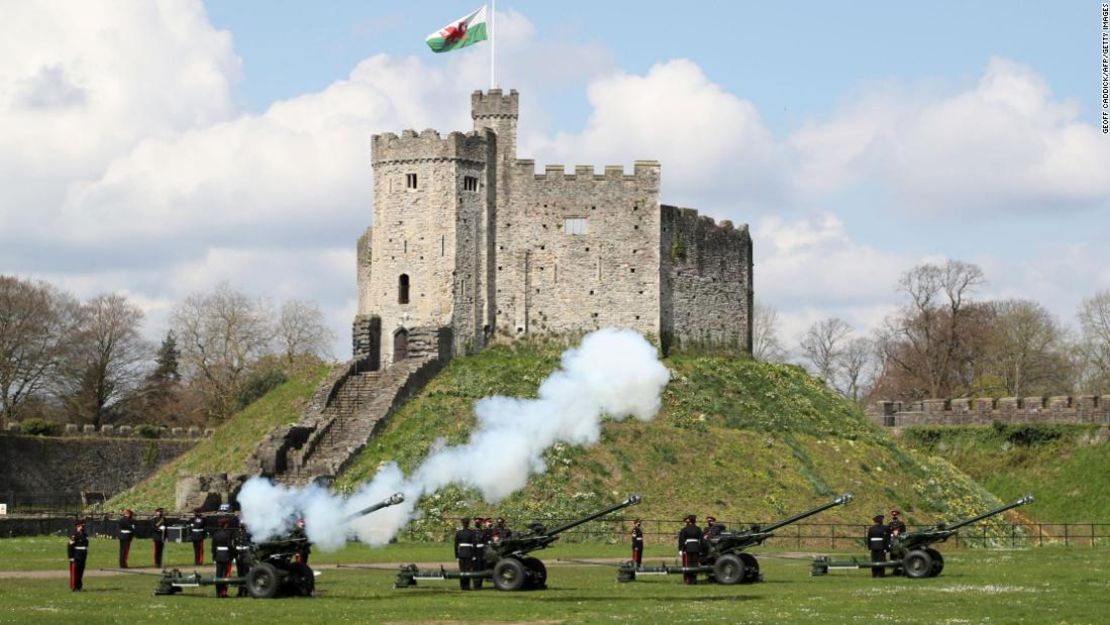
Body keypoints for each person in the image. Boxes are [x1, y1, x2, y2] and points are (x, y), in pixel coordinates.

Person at [211, 518, 235, 598]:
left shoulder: (216, 534)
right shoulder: (228, 534)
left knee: (218, 574)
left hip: (218, 555)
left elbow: (213, 547)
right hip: (226, 555)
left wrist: (214, 556)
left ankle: (218, 592)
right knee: (225, 574)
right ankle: (224, 592)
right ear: (225, 524)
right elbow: (230, 546)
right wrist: (232, 555)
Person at [678, 514, 703, 585]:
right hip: (696, 548)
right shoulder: (698, 529)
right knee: (695, 564)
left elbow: (682, 540)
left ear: (689, 520)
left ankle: (688, 580)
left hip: (688, 548)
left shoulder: (685, 529)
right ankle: (694, 579)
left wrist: (680, 549)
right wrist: (700, 550)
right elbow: (701, 540)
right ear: (695, 520)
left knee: (687, 564)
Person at [67, 519, 90, 592]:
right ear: (78, 526)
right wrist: (71, 557)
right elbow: (70, 546)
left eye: (83, 526)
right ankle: (74, 587)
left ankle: (79, 586)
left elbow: (86, 545)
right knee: (75, 572)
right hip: (76, 555)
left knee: (80, 571)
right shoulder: (74, 535)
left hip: (83, 555)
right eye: (81, 526)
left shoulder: (84, 534)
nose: (82, 527)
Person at [454, 517, 476, 591]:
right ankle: (467, 586)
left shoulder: (459, 533)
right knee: (467, 571)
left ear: (462, 524)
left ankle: (462, 586)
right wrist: (473, 555)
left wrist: (456, 555)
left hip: (461, 554)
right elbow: (474, 545)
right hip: (469, 553)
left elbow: (456, 545)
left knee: (462, 571)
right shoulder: (471, 532)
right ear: (468, 524)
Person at [866, 514, 890, 578]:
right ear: (881, 521)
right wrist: (886, 548)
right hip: (881, 546)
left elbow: (869, 539)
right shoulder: (884, 528)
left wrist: (869, 547)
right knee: (881, 560)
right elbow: (886, 539)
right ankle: (881, 574)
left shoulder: (871, 529)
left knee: (874, 560)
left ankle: (874, 573)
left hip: (873, 546)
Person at [235, 520, 253, 597]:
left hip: (245, 554)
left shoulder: (248, 534)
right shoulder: (237, 534)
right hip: (239, 554)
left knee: (246, 572)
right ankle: (240, 591)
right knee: (240, 573)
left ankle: (246, 590)